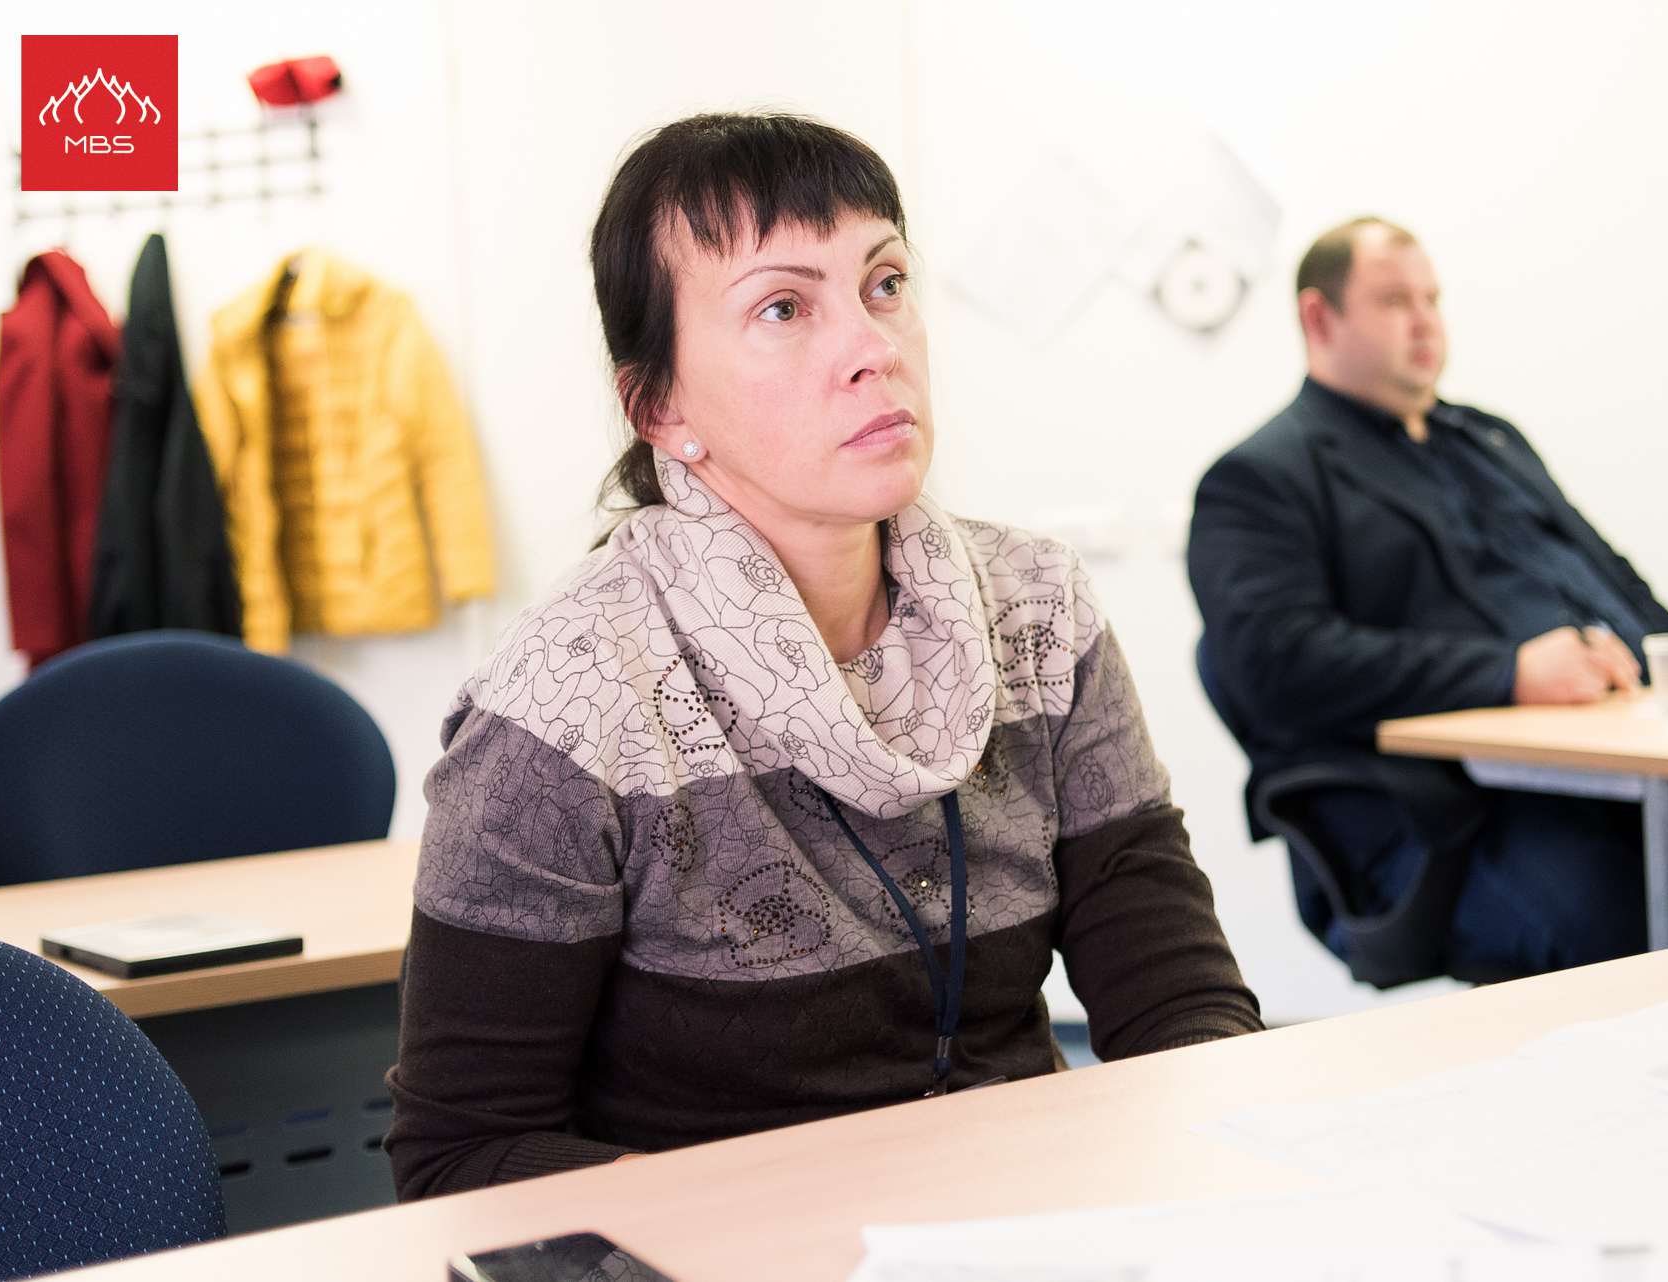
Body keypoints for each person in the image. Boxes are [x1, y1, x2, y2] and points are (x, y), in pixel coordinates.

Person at [385, 112, 1262, 1199]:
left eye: (885, 284)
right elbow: (465, 1157)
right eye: (784, 307)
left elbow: (1175, 998)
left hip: (1032, 1216)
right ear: (659, 404)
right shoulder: (569, 704)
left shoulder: (1036, 609)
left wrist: (1230, 1168)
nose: (873, 346)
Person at [1187, 216, 1668, 987]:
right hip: (1448, 809)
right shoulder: (1262, 478)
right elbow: (1275, 661)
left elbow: (1604, 571)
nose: (1425, 322)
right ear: (1320, 319)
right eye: (1395, 301)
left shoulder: (1488, 440)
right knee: (1619, 910)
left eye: (1432, 299)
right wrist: (1507, 674)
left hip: (1600, 766)